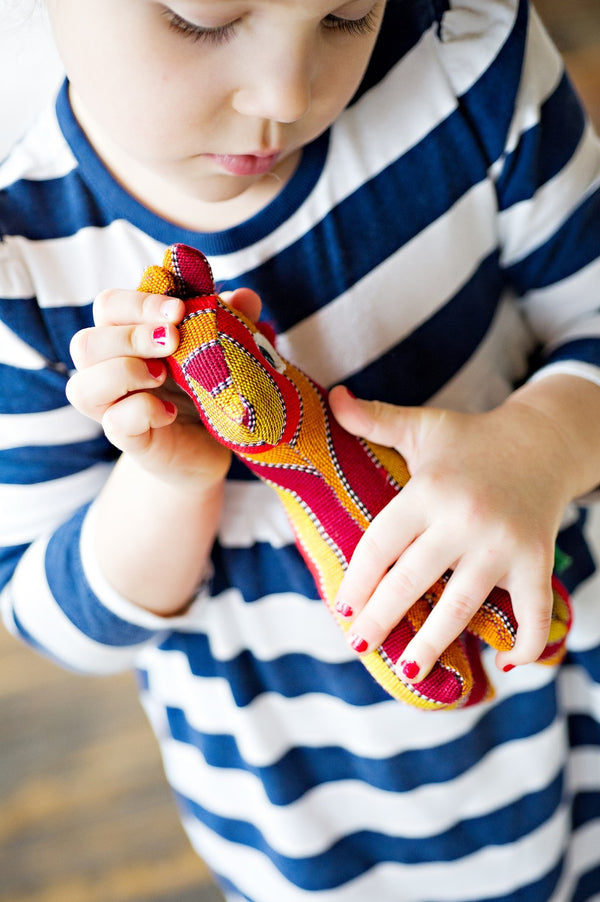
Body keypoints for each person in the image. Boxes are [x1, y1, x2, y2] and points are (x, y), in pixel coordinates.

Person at [1, 0, 600, 899]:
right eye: (201, 21)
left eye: (347, 16)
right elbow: (57, 618)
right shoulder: (23, 267)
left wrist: (542, 444)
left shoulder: (467, 60)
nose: (285, 92)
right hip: (300, 807)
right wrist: (169, 480)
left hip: (558, 694)